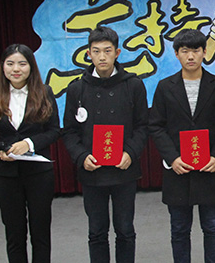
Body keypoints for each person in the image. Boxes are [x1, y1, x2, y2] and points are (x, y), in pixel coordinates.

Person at [62, 26, 149, 263]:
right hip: (92, 171)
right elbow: (69, 131)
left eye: (107, 51)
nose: (102, 57)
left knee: (125, 229)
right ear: (88, 53)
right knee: (97, 231)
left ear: (117, 53)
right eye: (96, 51)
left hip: (124, 169)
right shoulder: (77, 88)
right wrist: (81, 157)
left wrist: (130, 152)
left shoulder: (133, 85)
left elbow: (143, 126)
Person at [149, 29, 215, 262]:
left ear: (205, 52)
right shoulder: (165, 87)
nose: (190, 56)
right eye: (185, 51)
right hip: (178, 169)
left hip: (209, 168)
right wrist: (172, 158)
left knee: (213, 226)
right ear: (176, 54)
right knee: (179, 229)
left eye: (196, 50)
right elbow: (156, 126)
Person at [0, 44, 61, 263]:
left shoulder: (44, 92)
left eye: (22, 64)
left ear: (31, 66)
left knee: (40, 232)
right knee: (14, 233)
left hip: (39, 174)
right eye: (10, 63)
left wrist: (29, 143)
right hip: (7, 176)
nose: (16, 69)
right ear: (3, 67)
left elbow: (54, 131)